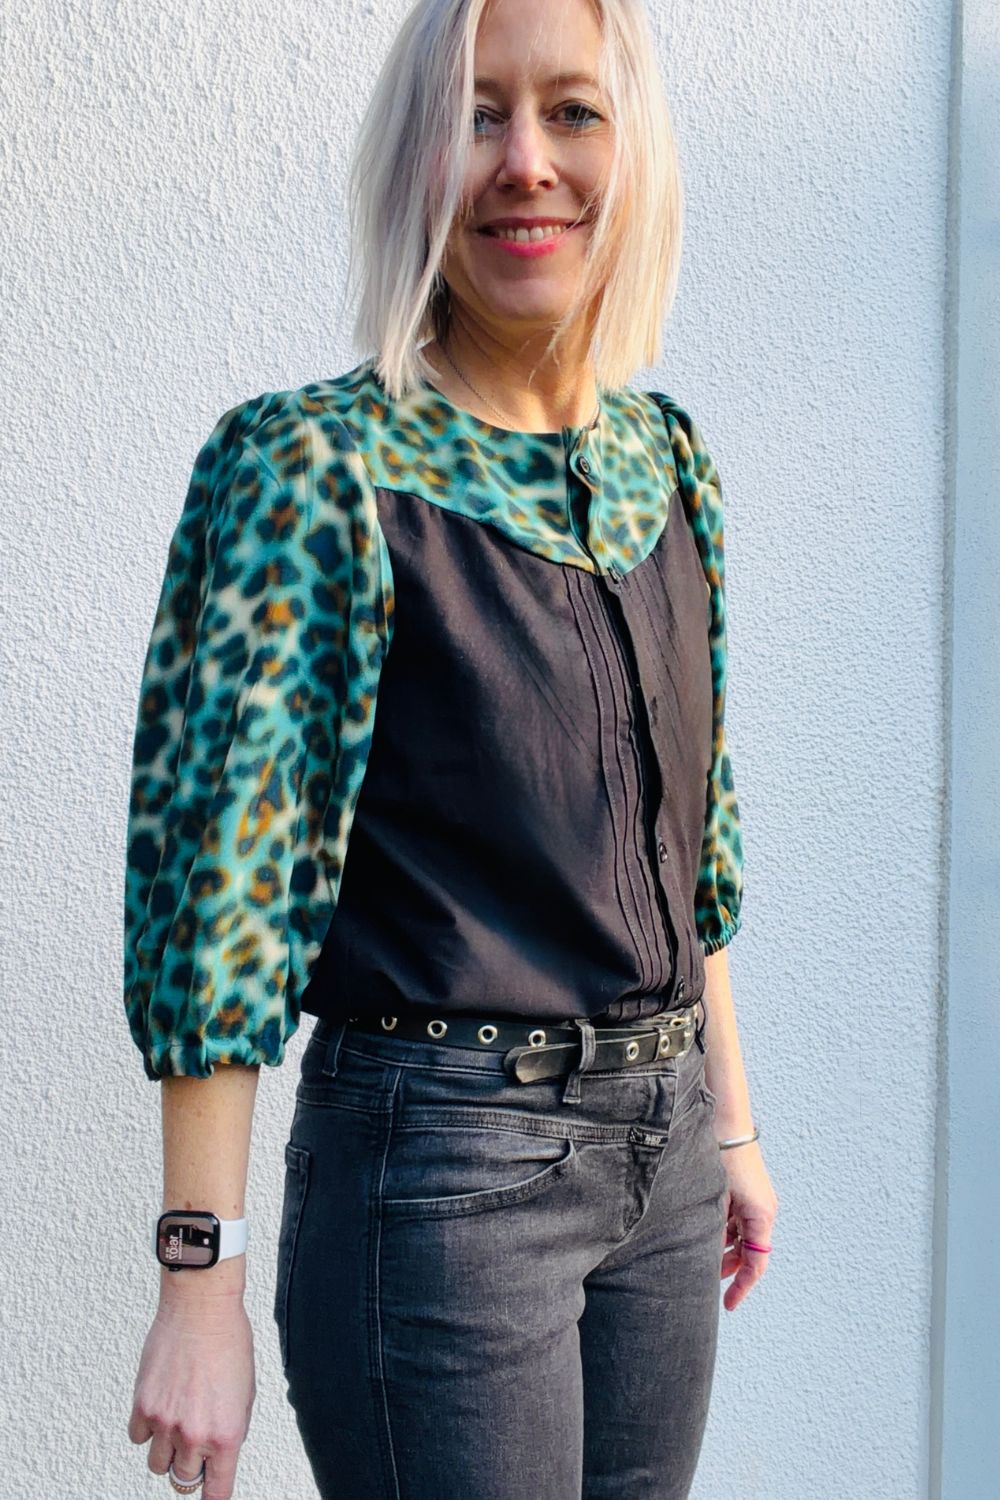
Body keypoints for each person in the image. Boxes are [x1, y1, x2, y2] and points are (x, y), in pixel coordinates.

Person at [124, 0, 778, 1495]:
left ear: (633, 152)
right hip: (446, 1179)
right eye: (478, 115)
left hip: (667, 1161)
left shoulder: (665, 461)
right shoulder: (317, 467)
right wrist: (198, 1280)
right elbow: (222, 897)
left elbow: (695, 848)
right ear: (415, 157)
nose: (526, 160)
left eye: (571, 112)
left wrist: (732, 1128)